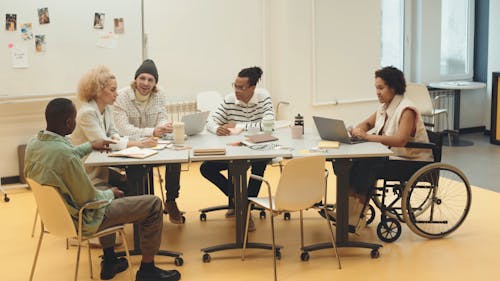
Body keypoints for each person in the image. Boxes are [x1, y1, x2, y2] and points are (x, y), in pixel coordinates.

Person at [24, 98, 181, 281]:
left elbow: (69, 153)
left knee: (105, 184)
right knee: (152, 204)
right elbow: (88, 198)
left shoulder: (35, 143)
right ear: (69, 122)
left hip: (55, 218)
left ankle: (110, 260)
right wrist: (110, 194)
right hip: (82, 218)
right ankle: (147, 270)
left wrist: (90, 145)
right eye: (74, 120)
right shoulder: (65, 156)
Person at [344, 66, 433, 231]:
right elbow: (368, 123)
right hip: (393, 156)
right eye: (376, 88)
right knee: (352, 163)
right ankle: (349, 211)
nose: (377, 92)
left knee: (366, 164)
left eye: (381, 88)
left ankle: (356, 216)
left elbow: (400, 140)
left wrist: (368, 136)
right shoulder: (385, 106)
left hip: (411, 160)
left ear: (393, 87)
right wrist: (359, 129)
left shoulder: (407, 109)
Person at [200, 66, 274, 232]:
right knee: (206, 168)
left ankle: (245, 209)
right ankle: (240, 201)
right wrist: (216, 129)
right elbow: (210, 121)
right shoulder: (229, 99)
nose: (237, 90)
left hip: (257, 148)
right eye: (235, 85)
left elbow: (268, 125)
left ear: (253, 88)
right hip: (233, 150)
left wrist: (237, 126)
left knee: (259, 164)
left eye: (241, 87)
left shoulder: (263, 97)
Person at [113, 59, 184, 224]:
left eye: (150, 80)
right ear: (135, 79)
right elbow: (123, 129)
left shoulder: (159, 95)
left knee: (175, 158)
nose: (145, 83)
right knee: (138, 171)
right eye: (142, 78)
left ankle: (171, 200)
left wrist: (163, 127)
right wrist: (151, 131)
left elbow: (162, 116)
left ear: (155, 83)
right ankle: (141, 208)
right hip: (130, 148)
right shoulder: (122, 97)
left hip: (153, 144)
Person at [71, 65, 157, 192]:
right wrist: (138, 144)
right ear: (97, 91)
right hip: (88, 174)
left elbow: (113, 132)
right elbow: (103, 143)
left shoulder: (106, 108)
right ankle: (139, 209)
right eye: (112, 90)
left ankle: (141, 209)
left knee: (135, 179)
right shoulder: (87, 113)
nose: (116, 94)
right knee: (134, 182)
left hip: (102, 167)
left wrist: (117, 139)